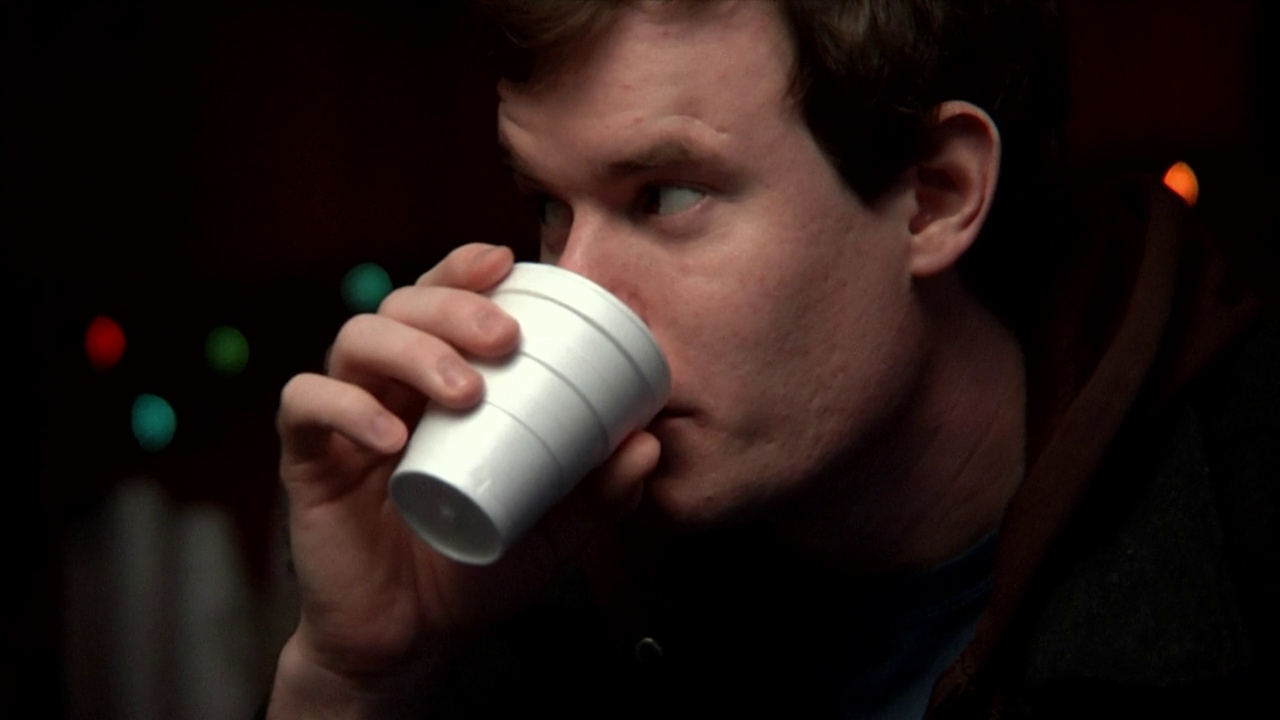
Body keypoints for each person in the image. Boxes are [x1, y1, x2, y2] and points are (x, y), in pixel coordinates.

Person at [265, 1, 1277, 718]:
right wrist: (354, 680)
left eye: (666, 196)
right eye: (549, 207)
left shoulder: (1244, 521)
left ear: (933, 197)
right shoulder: (549, 587)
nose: (575, 289)